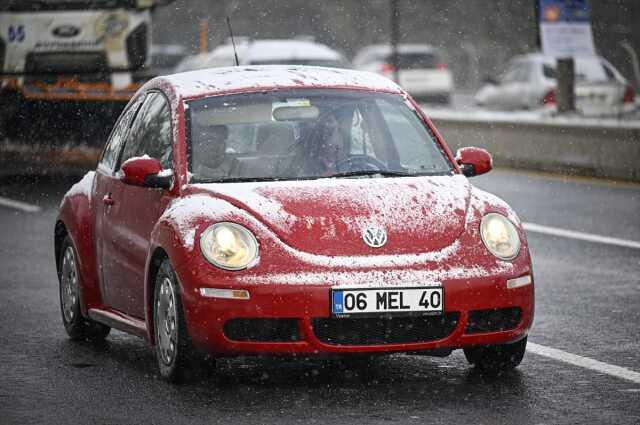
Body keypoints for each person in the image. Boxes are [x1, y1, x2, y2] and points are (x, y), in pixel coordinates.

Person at [288, 109, 351, 177]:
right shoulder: (309, 165)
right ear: (322, 145)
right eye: (333, 147)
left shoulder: (349, 164)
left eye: (340, 147)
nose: (338, 150)